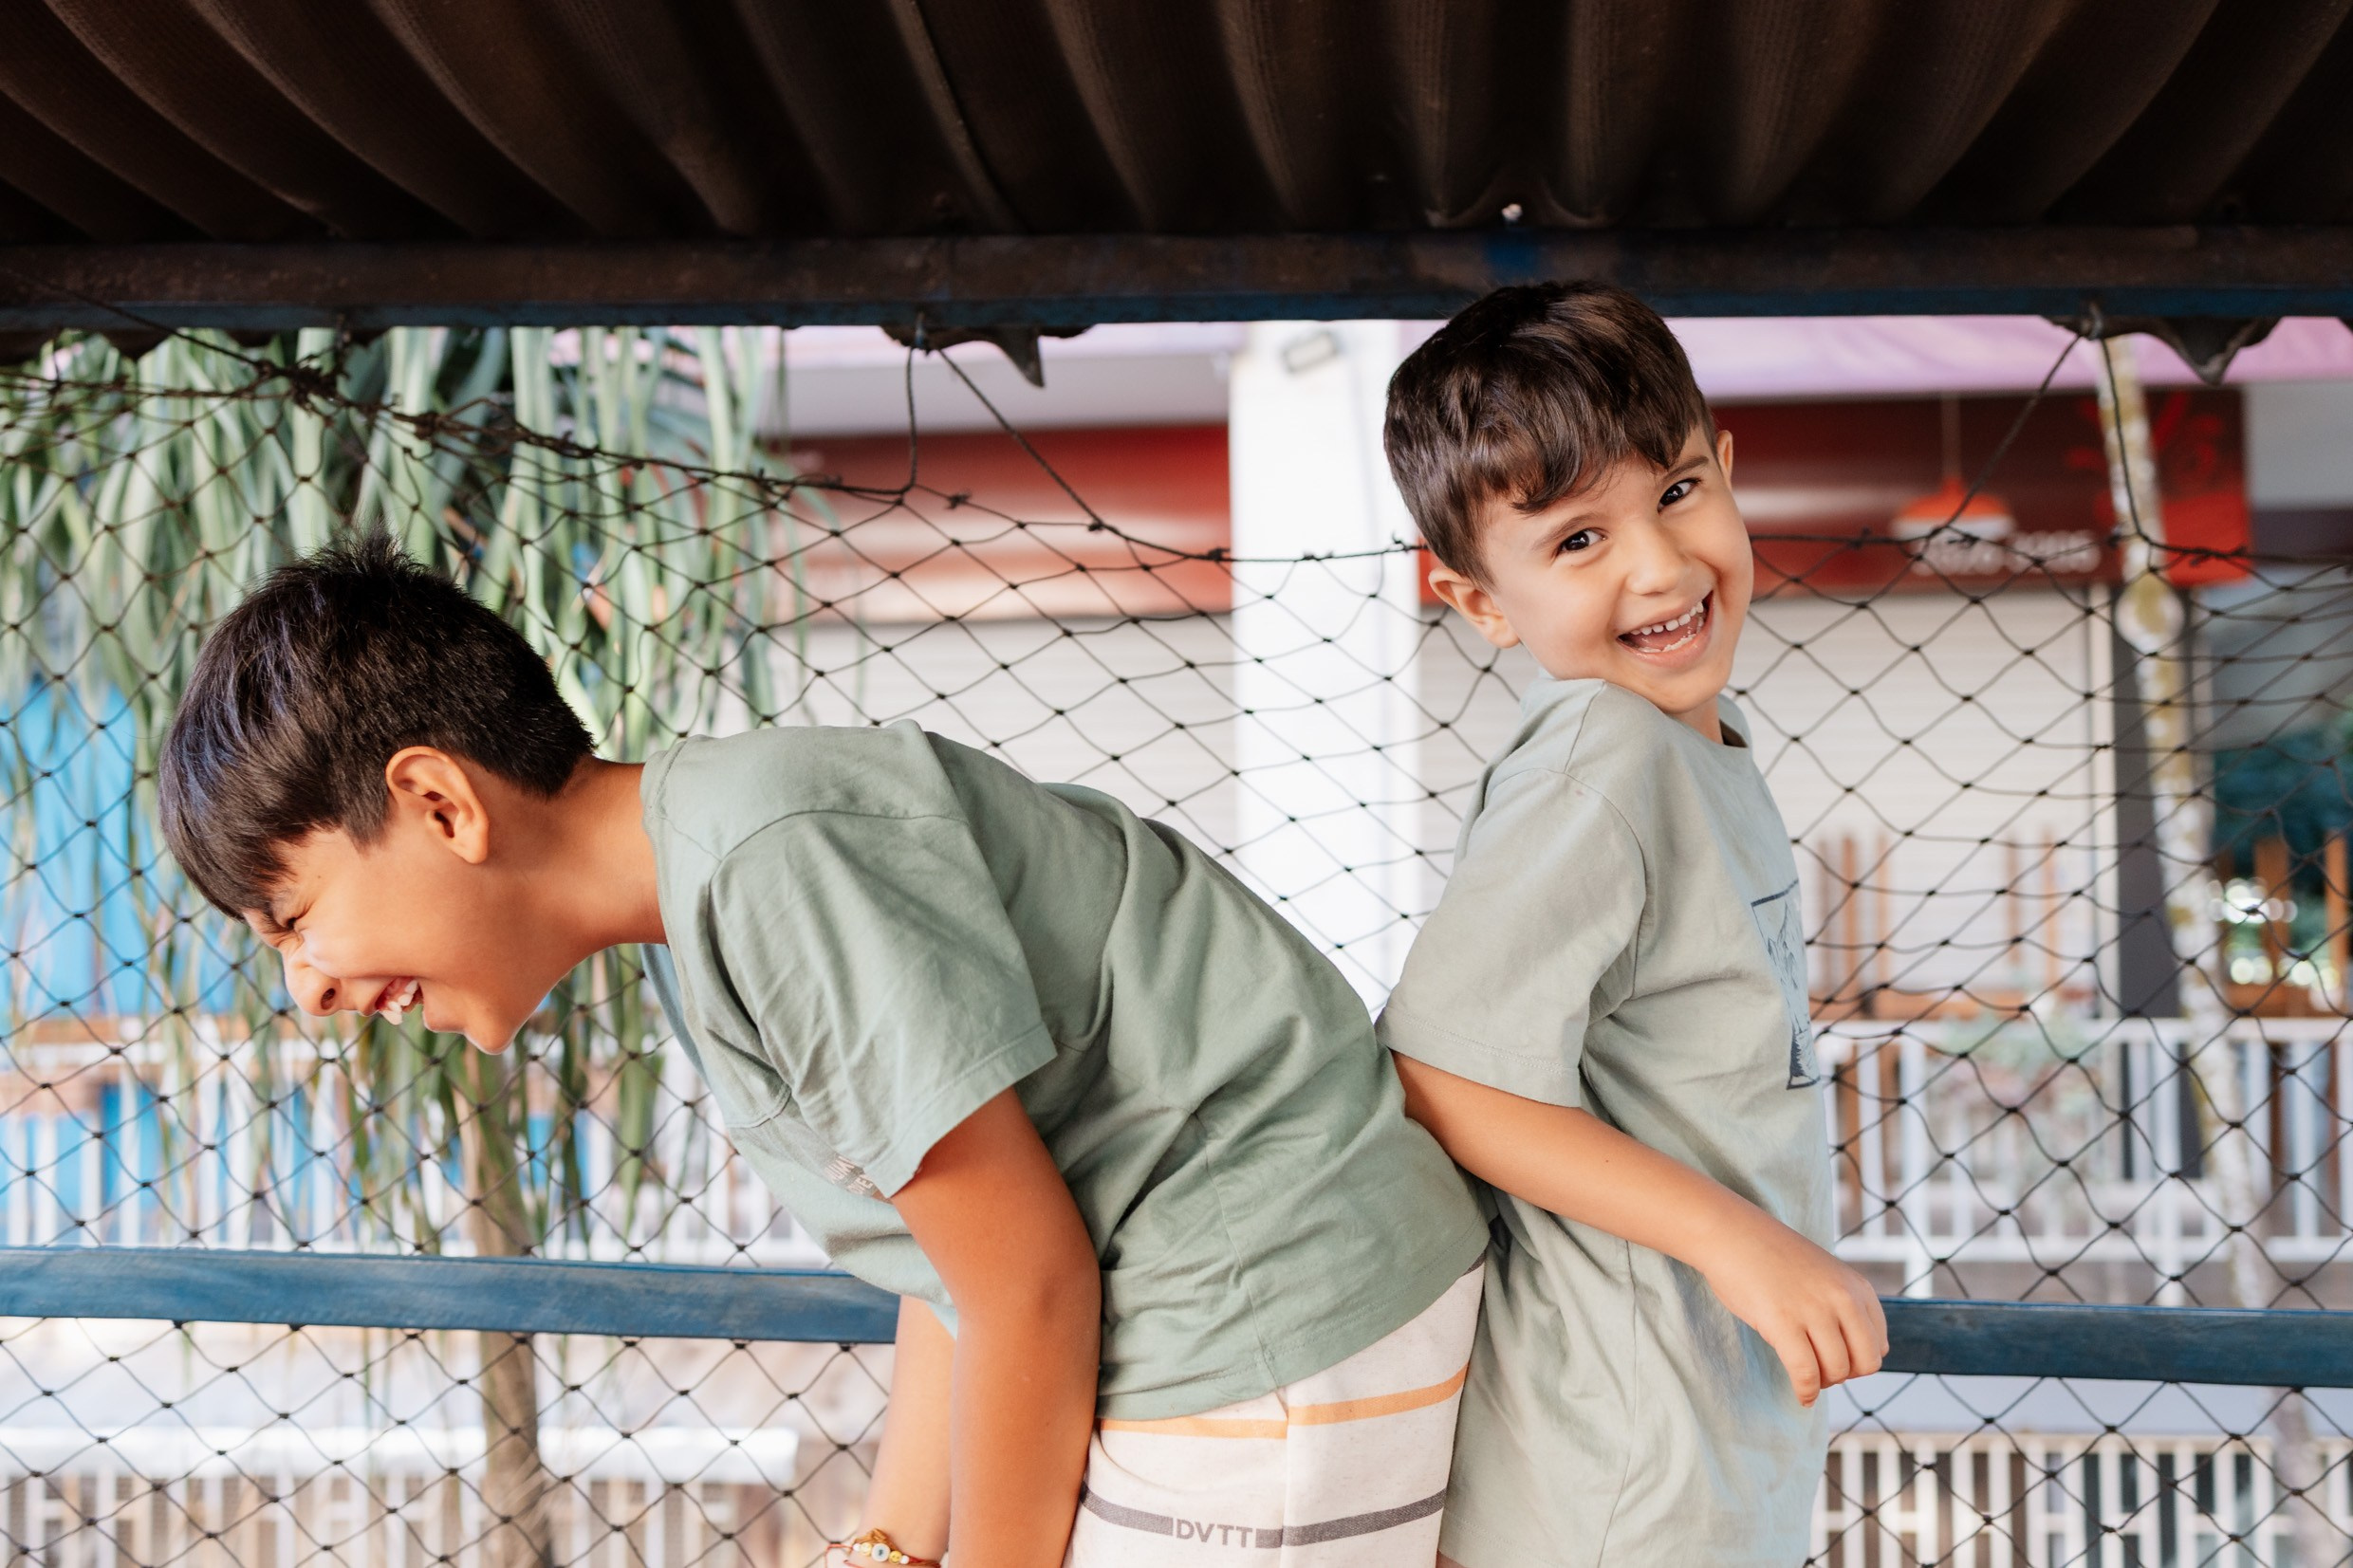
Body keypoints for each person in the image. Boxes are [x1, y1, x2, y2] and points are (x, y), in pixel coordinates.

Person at [156, 538, 1489, 1568]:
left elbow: (1028, 1280)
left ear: (440, 802)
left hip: (1272, 1321)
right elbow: (951, 1259)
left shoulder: (768, 864)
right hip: (1257, 1319)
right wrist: (890, 1544)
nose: (310, 989)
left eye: (295, 917)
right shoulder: (710, 879)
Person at [1376, 283, 1889, 1568]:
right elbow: (1437, 1074)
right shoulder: (1606, 746)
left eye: (1675, 490)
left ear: (1729, 468)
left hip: (1691, 1437)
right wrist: (1738, 1238)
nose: (1659, 565)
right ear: (1480, 601)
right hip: (1607, 1474)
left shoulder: (1693, 743)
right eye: (1575, 540)